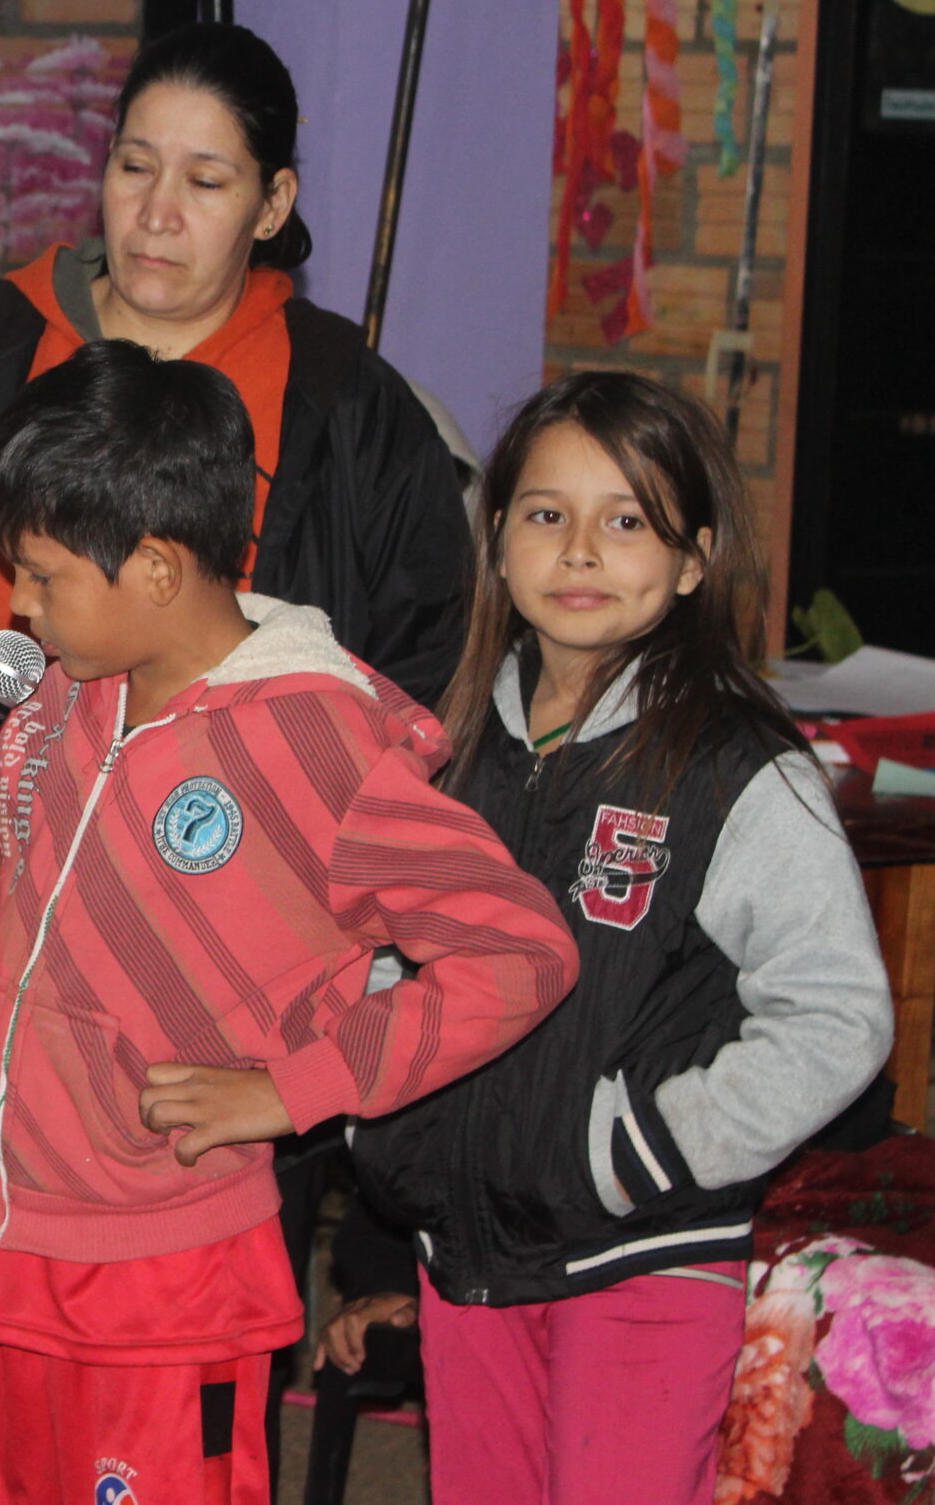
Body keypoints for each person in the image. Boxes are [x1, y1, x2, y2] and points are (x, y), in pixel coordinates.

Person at [0, 343, 577, 1505]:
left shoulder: (317, 741)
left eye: (38, 577)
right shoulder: (56, 698)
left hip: (170, 1258)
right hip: (5, 1220)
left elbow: (519, 954)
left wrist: (291, 1091)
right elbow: (10, 924)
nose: (17, 609)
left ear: (153, 567)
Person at [349, 371, 893, 1505]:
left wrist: (637, 1148)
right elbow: (386, 952)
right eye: (548, 514)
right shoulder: (441, 746)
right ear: (497, 541)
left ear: (693, 561)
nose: (582, 550)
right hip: (465, 1244)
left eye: (628, 520)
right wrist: (387, 1118)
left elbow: (837, 1017)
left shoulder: (733, 766)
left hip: (642, 1250)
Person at [0, 22, 471, 736]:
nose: (156, 216)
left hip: (243, 801)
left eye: (204, 182)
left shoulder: (345, 404)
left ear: (272, 204)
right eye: (136, 167)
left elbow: (429, 658)